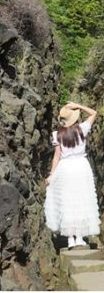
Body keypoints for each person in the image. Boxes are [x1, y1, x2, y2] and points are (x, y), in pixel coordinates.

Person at [44, 101, 100, 249]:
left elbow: (57, 156)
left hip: (65, 168)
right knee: (81, 200)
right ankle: (80, 237)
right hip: (81, 167)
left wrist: (51, 175)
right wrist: (79, 106)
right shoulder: (82, 129)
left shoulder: (57, 134)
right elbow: (94, 113)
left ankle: (70, 239)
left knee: (67, 201)